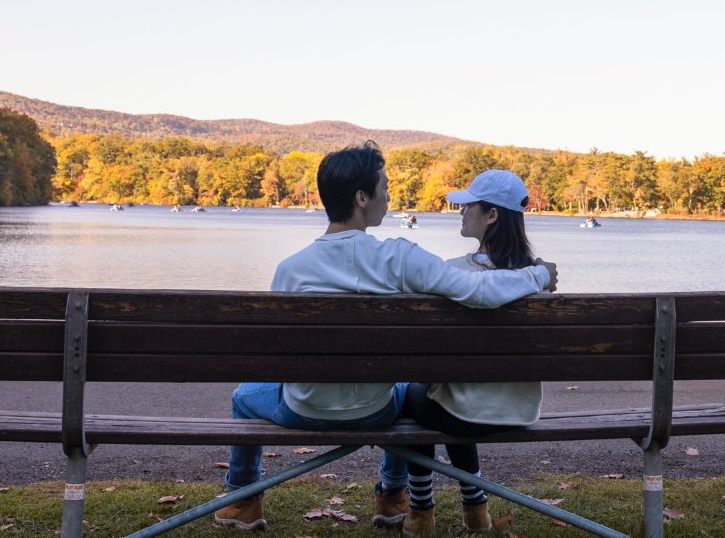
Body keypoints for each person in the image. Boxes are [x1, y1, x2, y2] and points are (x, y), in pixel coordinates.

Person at [214, 145, 558, 532]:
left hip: (305, 408)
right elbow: (477, 290)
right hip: (378, 410)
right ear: (361, 198)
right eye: (385, 186)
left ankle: (243, 501)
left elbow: (274, 358)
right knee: (407, 391)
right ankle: (393, 496)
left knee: (244, 396)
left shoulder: (291, 270)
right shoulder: (400, 258)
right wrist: (538, 275)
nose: (390, 195)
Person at [400, 170, 547, 536]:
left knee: (412, 398)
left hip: (461, 411)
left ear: (492, 215)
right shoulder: (536, 278)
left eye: (468, 205)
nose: (461, 210)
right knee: (455, 398)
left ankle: (421, 511)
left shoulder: (452, 274)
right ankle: (476, 507)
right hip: (518, 410)